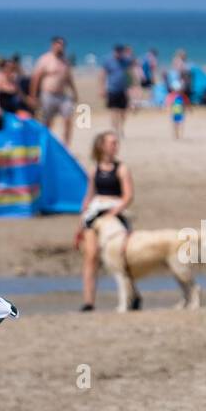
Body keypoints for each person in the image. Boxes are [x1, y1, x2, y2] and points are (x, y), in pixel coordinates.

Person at [77, 131, 135, 311]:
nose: (115, 146)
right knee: (90, 256)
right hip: (95, 214)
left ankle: (133, 296)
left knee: (124, 257)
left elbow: (128, 195)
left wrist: (114, 211)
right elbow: (88, 196)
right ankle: (88, 301)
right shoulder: (95, 170)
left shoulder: (122, 168)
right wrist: (80, 222)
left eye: (116, 143)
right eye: (112, 143)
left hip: (114, 213)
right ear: (101, 146)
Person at [30, 36, 78, 144]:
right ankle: (46, 144)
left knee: (68, 119)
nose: (60, 47)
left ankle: (66, 145)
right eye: (58, 44)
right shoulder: (45, 59)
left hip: (62, 95)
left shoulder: (65, 61)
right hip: (48, 94)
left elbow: (68, 78)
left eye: (62, 45)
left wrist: (74, 92)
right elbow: (35, 78)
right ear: (53, 45)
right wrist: (33, 96)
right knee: (47, 121)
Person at [101, 43, 135, 137]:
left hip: (123, 89)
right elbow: (103, 75)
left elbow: (134, 63)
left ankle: (121, 128)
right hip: (112, 89)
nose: (119, 54)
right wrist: (102, 88)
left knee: (123, 111)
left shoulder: (125, 60)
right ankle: (115, 130)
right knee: (114, 111)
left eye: (121, 52)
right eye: (117, 51)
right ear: (114, 52)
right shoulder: (108, 61)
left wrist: (130, 52)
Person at [0, 57, 28, 130]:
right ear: (4, 68)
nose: (10, 70)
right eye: (8, 68)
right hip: (0, 110)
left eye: (13, 68)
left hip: (11, 110)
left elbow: (21, 95)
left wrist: (29, 102)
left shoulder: (13, 80)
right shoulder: (0, 78)